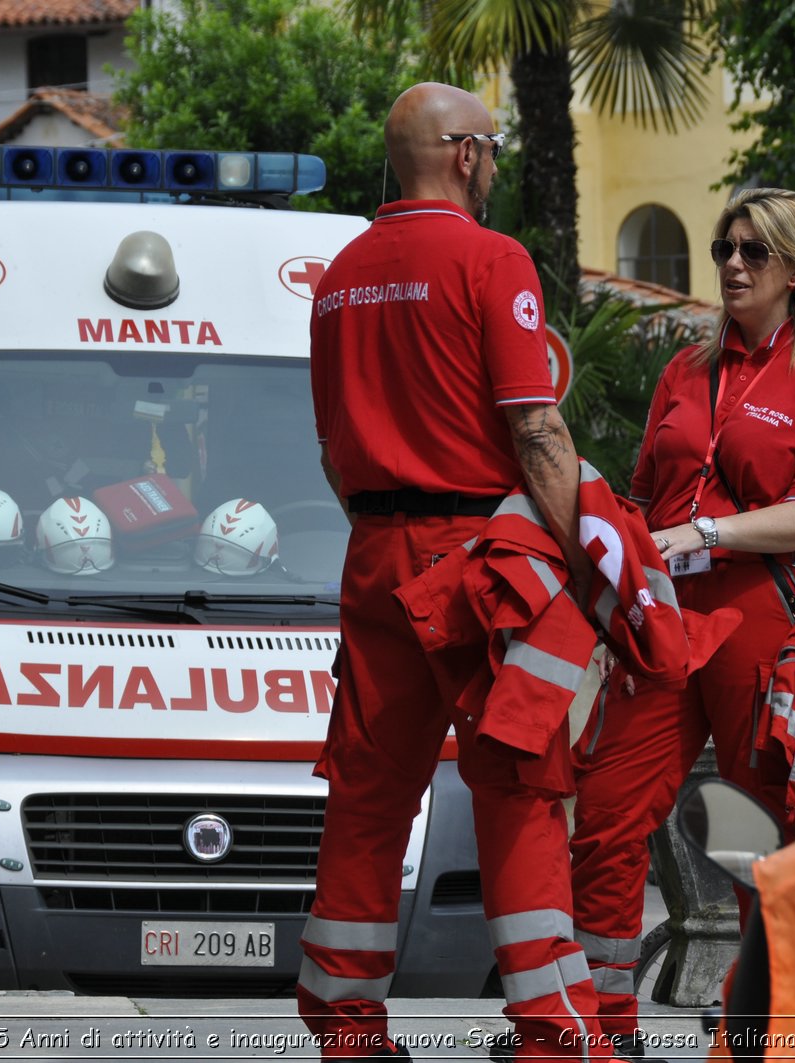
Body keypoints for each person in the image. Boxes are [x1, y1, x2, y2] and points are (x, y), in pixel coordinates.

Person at [300, 82, 605, 1061]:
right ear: (466, 155)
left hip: (372, 555)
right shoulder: (492, 259)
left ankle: (347, 1028)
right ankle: (552, 1029)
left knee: (367, 792)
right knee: (518, 782)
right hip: (478, 558)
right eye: (496, 150)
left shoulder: (339, 274)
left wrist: (386, 525)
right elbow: (536, 428)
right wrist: (592, 571)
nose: (498, 164)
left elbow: (328, 449)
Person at [567, 188, 795, 1058]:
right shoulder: (684, 372)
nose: (733, 264)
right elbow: (648, 497)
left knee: (764, 836)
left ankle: (762, 1033)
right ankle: (603, 1031)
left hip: (759, 616)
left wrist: (705, 531)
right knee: (609, 814)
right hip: (665, 616)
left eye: (753, 252)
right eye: (723, 247)